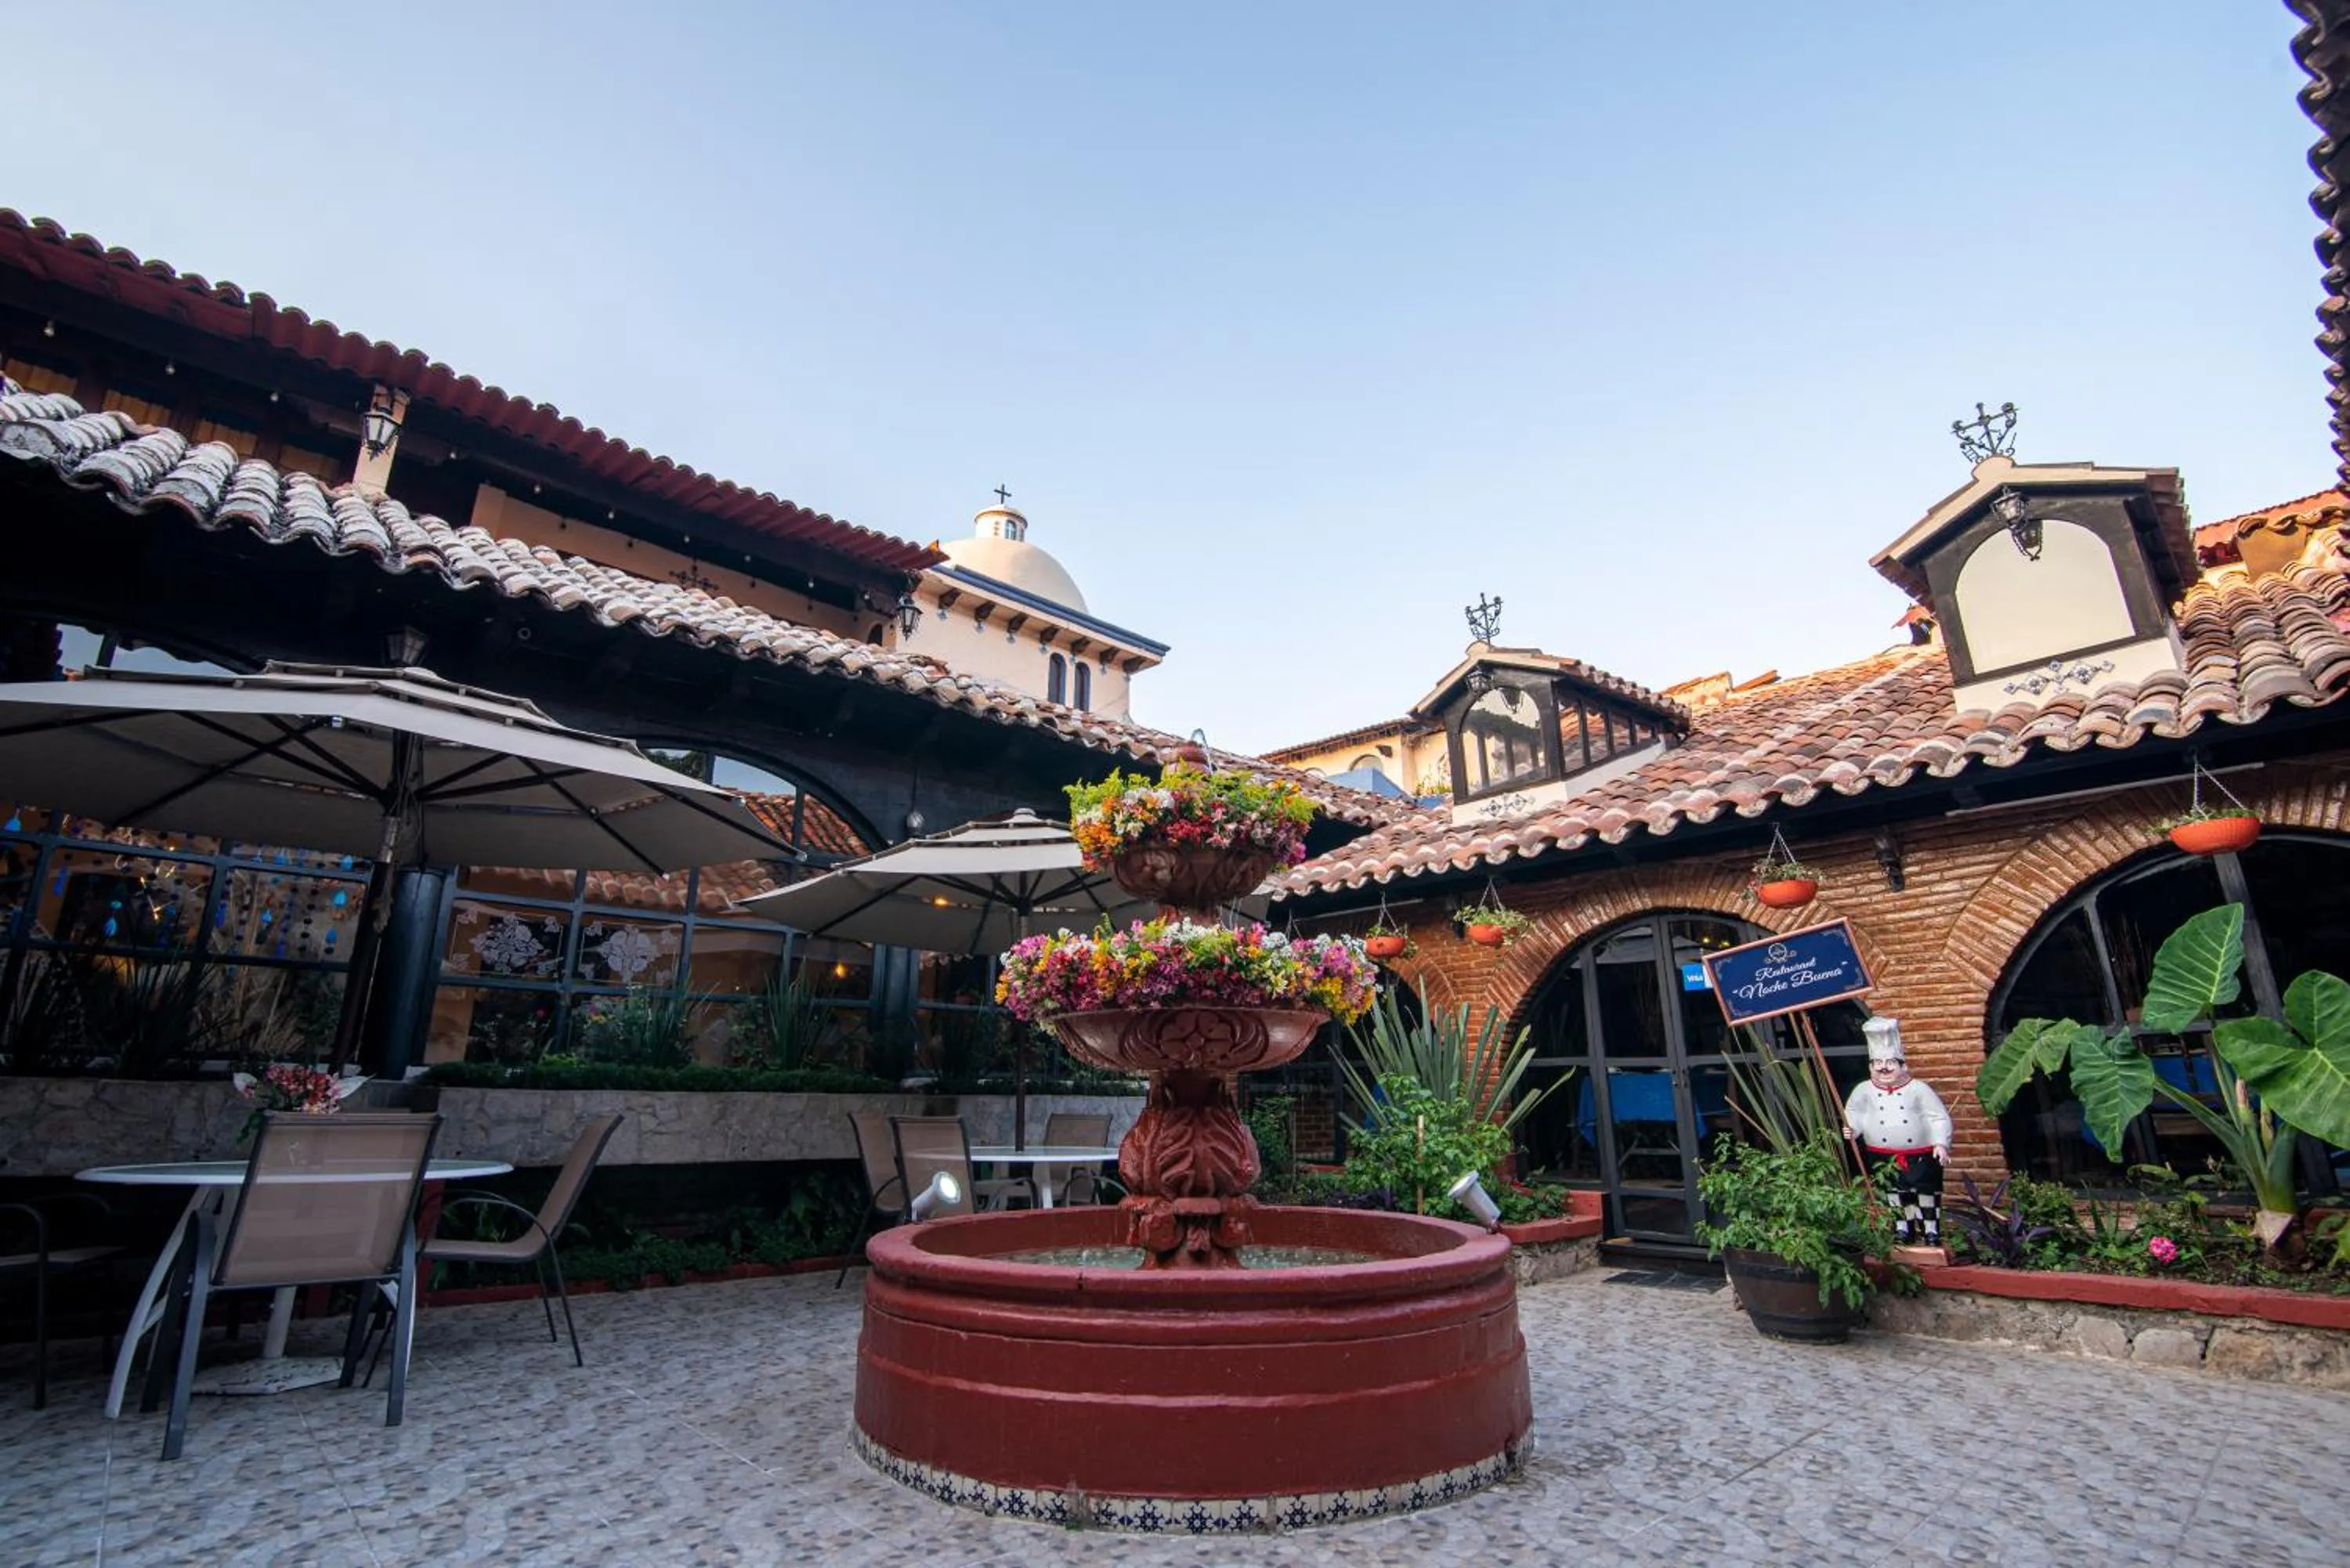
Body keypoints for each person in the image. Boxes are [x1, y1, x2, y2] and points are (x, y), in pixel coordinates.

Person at [1842, 1017, 1952, 1246]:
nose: (1883, 1068)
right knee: (1895, 1195)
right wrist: (1853, 1129)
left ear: (1903, 1066)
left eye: (1890, 1063)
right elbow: (1854, 1112)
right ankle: (1903, 1230)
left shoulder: (1919, 1089)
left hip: (1920, 1154)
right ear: (1871, 1067)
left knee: (1925, 1194)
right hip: (1882, 1155)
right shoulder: (1864, 1090)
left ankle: (1930, 1231)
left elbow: (1938, 1117)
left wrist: (1941, 1143)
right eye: (1877, 1063)